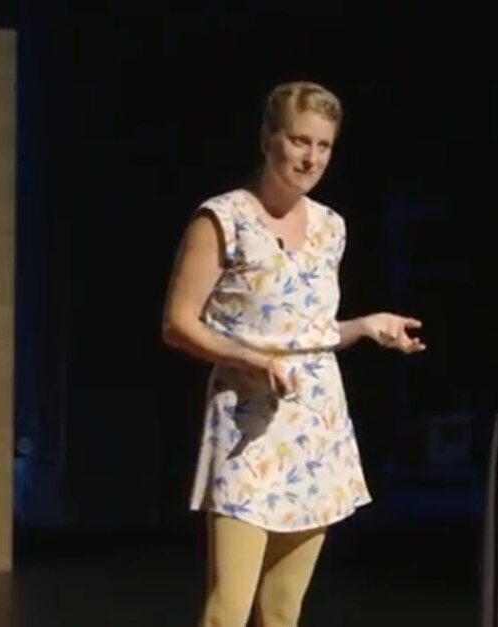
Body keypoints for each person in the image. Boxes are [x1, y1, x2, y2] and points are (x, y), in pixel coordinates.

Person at [162, 81, 425, 627]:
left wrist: (366, 327)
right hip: (247, 427)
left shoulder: (331, 227)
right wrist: (252, 360)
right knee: (227, 610)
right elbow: (178, 324)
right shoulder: (223, 219)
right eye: (300, 141)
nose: (311, 158)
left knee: (283, 609)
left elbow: (307, 331)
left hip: (315, 424)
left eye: (323, 145)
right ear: (268, 139)